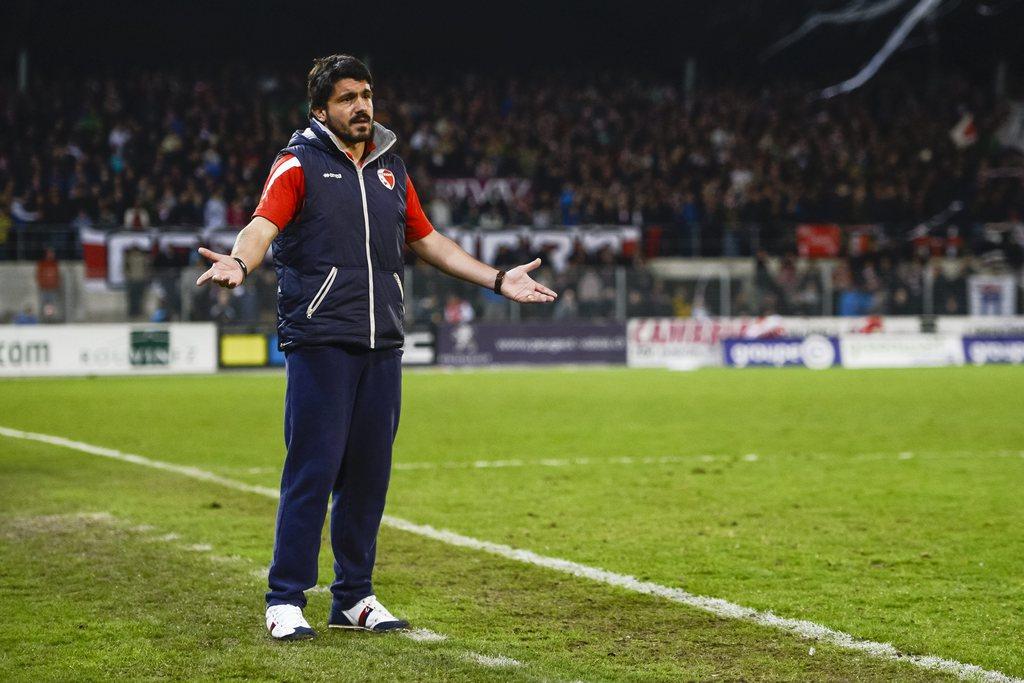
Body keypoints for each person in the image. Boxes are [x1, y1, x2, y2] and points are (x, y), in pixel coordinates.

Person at [195, 55, 556, 641]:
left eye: (366, 95)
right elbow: (262, 225)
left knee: (369, 475)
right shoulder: (298, 163)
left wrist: (497, 278)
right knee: (313, 470)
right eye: (346, 98)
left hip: (383, 343)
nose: (361, 106)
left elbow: (428, 239)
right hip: (321, 341)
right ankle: (286, 599)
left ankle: (354, 598)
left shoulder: (390, 166)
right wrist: (239, 259)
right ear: (320, 110)